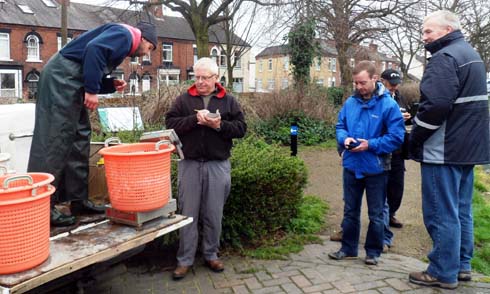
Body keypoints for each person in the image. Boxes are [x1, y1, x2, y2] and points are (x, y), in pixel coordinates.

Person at [28, 22, 158, 226]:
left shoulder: (120, 37)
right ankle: (42, 208)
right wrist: (91, 90)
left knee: (80, 137)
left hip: (71, 82)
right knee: (54, 140)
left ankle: (78, 200)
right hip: (60, 79)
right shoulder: (126, 35)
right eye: (150, 48)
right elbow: (94, 50)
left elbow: (88, 60)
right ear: (143, 39)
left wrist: (108, 84)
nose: (146, 54)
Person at [408, 10, 489, 289]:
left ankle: (442, 271)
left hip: (444, 150)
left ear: (446, 30)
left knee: (441, 212)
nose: (424, 37)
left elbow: (435, 108)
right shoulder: (471, 54)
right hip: (468, 149)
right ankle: (461, 265)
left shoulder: (445, 58)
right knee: (461, 209)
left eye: (428, 31)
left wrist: (414, 139)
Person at [165, 57, 247, 280]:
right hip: (189, 164)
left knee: (214, 214)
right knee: (188, 213)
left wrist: (219, 125)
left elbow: (241, 129)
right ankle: (185, 260)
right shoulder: (184, 100)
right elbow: (170, 123)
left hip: (217, 165)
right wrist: (195, 120)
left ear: (216, 78)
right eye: (196, 77)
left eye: (205, 77)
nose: (199, 81)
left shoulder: (228, 101)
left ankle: (211, 254)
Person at [328, 60, 405, 266]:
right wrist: (343, 139)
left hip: (376, 167)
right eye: (356, 83)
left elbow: (397, 137)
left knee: (376, 214)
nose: (359, 87)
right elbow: (340, 125)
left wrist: (369, 145)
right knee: (350, 211)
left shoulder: (389, 105)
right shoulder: (350, 103)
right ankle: (348, 249)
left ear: (374, 79)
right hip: (352, 166)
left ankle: (373, 252)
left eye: (363, 82)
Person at [381, 69, 411, 229]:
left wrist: (407, 119)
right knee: (381, 187)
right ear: (382, 81)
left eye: (396, 84)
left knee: (397, 186)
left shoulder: (399, 96)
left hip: (398, 150)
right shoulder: (377, 97)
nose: (394, 87)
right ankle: (381, 220)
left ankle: (391, 213)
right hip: (384, 148)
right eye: (391, 84)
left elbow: (404, 118)